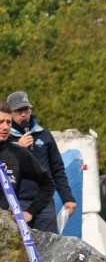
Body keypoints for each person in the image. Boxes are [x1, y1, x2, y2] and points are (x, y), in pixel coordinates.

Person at [7, 91, 77, 233]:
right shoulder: (5, 138)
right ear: (10, 113)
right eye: (18, 110)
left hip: (44, 202)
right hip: (16, 202)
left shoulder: (44, 135)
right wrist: (18, 149)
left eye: (26, 109)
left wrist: (67, 197)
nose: (23, 114)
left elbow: (57, 169)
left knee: (48, 248)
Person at [0, 101, 57, 224]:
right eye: (0, 122)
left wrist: (31, 212)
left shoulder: (18, 153)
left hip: (5, 230)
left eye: (8, 122)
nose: (5, 127)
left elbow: (48, 184)